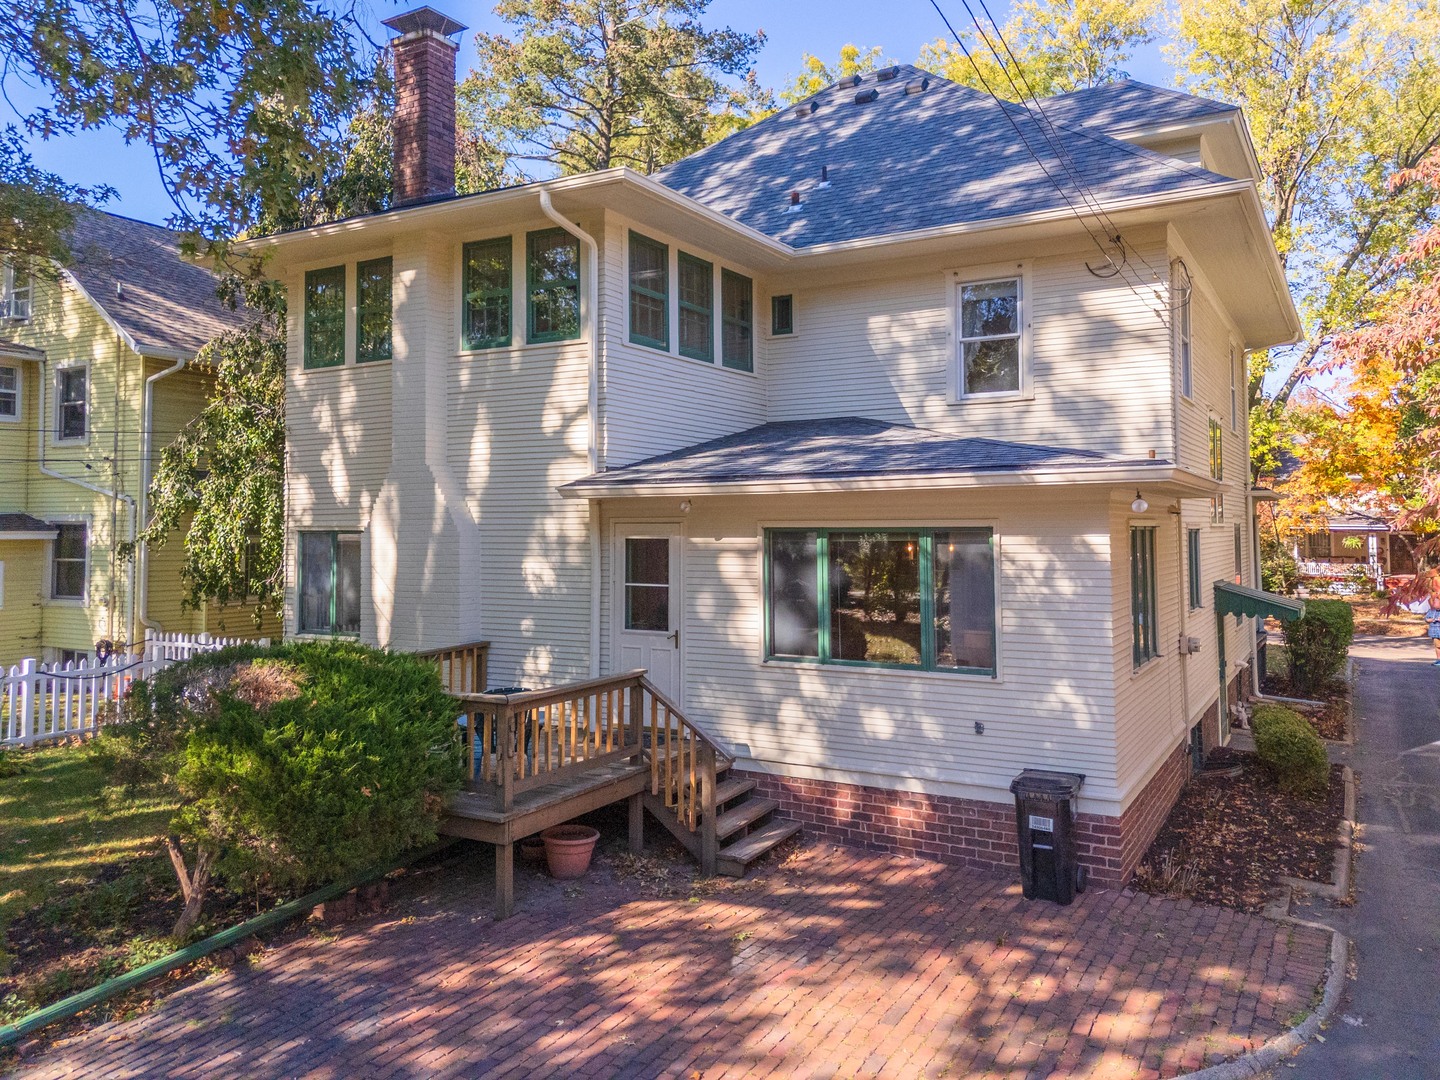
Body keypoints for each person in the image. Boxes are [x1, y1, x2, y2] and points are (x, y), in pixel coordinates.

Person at [1427, 587, 1440, 666]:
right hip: (1435, 632)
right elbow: (1426, 619)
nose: (1434, 603)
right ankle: (1438, 659)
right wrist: (1431, 620)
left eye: (1436, 602)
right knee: (1437, 646)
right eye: (1434, 601)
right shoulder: (1431, 611)